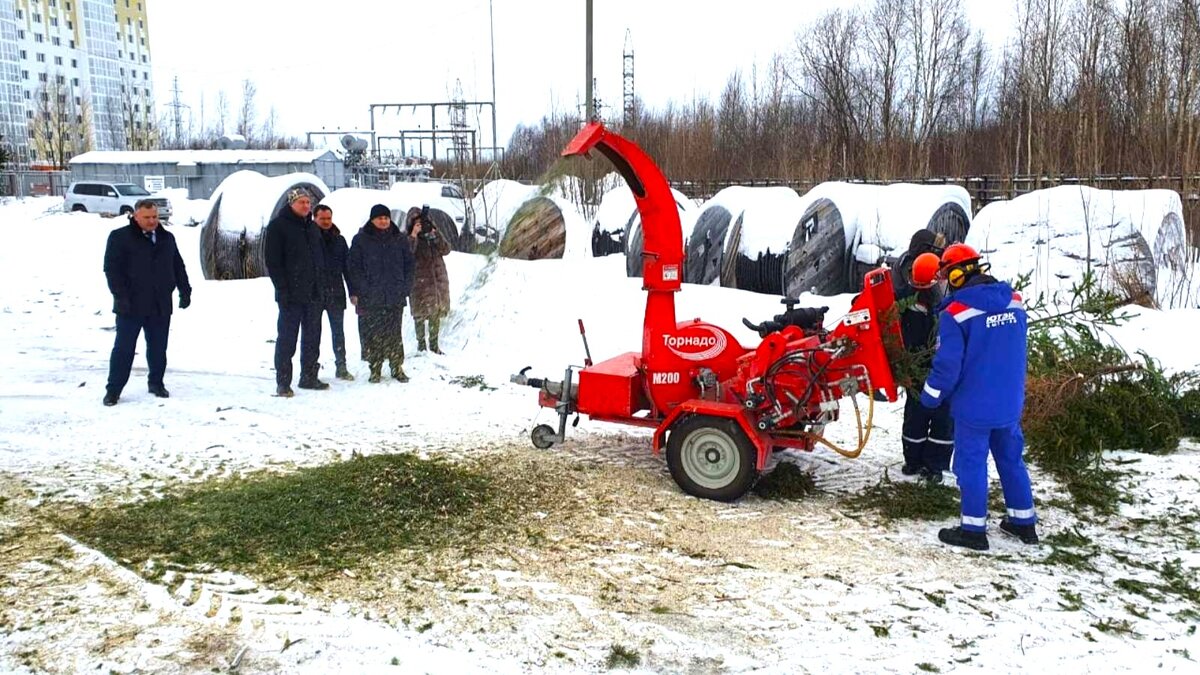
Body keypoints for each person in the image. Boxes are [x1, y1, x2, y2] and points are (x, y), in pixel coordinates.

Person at [916, 244, 1038, 551]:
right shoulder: (1014, 301)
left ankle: (972, 530)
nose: (943, 283)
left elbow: (947, 367)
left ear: (956, 275)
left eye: (945, 275)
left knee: (971, 465)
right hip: (1010, 402)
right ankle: (1023, 523)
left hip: (974, 406)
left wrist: (928, 399)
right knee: (1011, 459)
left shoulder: (955, 313)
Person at [102, 199, 191, 406]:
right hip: (130, 305)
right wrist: (120, 297)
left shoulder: (166, 238)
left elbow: (177, 265)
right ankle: (113, 390)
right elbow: (112, 270)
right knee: (124, 349)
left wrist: (184, 290)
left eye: (155, 217)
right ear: (135, 216)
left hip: (160, 304)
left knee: (158, 347)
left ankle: (156, 383)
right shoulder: (120, 238)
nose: (152, 221)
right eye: (147, 218)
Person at [894, 231, 953, 482]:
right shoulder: (909, 290)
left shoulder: (941, 292)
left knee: (935, 413)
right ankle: (922, 461)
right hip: (921, 364)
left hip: (936, 364)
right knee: (927, 412)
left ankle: (930, 463)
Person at [264, 188, 327, 397]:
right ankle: (283, 382)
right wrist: (282, 289)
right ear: (291, 204)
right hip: (291, 295)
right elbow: (273, 263)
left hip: (313, 294)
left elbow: (318, 259)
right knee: (287, 340)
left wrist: (320, 286)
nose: (307, 207)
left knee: (312, 338)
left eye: (309, 203)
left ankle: (308, 376)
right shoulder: (278, 227)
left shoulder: (312, 228)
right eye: (302, 203)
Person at [347, 204, 414, 383]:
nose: (383, 221)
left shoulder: (399, 239)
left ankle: (396, 367)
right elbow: (353, 267)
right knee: (374, 334)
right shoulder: (361, 240)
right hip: (371, 296)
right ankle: (375, 368)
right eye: (379, 218)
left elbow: (409, 265)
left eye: (386, 217)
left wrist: (405, 287)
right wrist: (359, 290)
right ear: (372, 220)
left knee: (394, 333)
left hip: (394, 295)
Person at [313, 204, 354, 380]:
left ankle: (341, 366)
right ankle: (310, 369)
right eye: (322, 218)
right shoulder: (309, 239)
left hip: (335, 292)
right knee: (313, 333)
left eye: (329, 218)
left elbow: (348, 268)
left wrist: (353, 291)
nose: (326, 222)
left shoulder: (340, 240)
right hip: (314, 293)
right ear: (315, 218)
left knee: (338, 332)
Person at [405, 206, 452, 354]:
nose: (422, 226)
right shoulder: (408, 238)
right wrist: (414, 234)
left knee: (435, 314)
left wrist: (435, 234)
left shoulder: (432, 236)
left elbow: (446, 250)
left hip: (437, 281)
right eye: (417, 223)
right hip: (419, 282)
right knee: (419, 314)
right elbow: (406, 253)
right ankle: (421, 346)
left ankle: (434, 345)